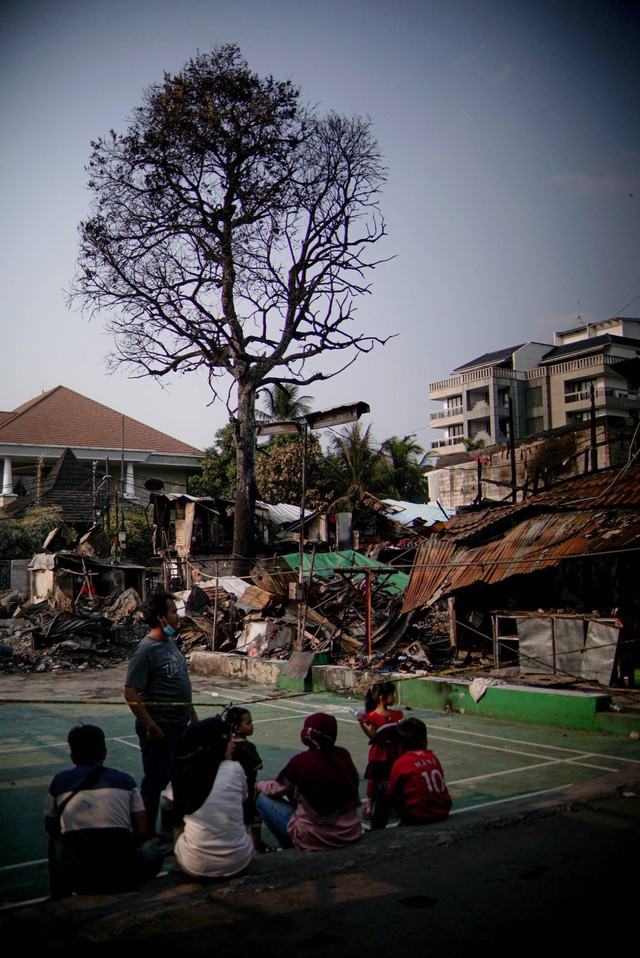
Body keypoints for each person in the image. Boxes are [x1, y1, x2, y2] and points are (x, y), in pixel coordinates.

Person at [45, 724, 163, 897]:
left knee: (54, 839)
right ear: (104, 752)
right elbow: (143, 831)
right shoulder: (126, 781)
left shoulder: (59, 782)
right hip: (123, 876)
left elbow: (51, 827)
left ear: (72, 755)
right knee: (156, 854)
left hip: (78, 880)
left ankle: (58, 893)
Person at [124, 590, 197, 834]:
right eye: (173, 612)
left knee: (180, 780)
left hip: (179, 726)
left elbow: (180, 681)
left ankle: (169, 830)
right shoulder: (146, 651)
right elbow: (131, 693)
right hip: (160, 728)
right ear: (161, 618)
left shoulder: (171, 643)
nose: (178, 616)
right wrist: (150, 725)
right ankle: (146, 835)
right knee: (154, 783)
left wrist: (192, 716)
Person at [256, 712, 361, 851]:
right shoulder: (343, 755)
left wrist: (258, 785)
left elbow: (275, 789)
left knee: (262, 799)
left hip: (315, 836)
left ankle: (290, 848)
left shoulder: (302, 762)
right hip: (350, 832)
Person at [170, 717, 254, 879]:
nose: (233, 744)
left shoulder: (184, 773)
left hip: (195, 866)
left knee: (178, 824)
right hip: (240, 862)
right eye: (228, 740)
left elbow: (168, 803)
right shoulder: (235, 768)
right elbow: (243, 798)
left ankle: (185, 860)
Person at [388, 718, 452, 825]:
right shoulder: (433, 757)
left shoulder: (401, 763)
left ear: (400, 746)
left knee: (383, 789)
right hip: (443, 812)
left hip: (418, 816)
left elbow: (391, 793)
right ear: (424, 742)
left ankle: (377, 828)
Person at [358, 681, 404, 829]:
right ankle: (370, 805)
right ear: (382, 698)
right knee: (375, 779)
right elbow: (372, 736)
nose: (394, 697)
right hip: (379, 753)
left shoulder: (396, 714)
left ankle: (391, 805)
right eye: (392, 695)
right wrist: (361, 724)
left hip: (394, 751)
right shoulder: (373, 717)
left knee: (393, 777)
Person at [224, 706, 264, 851]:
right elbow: (258, 765)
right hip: (248, 787)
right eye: (248, 723)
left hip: (233, 789)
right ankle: (256, 848)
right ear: (237, 728)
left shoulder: (228, 745)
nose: (252, 725)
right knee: (254, 819)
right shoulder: (247, 746)